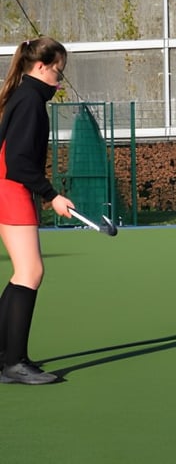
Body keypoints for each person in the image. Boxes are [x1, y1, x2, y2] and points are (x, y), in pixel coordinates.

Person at [0, 37, 75, 385]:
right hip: (11, 188)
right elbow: (17, 161)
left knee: (22, 273)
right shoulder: (30, 101)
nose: (60, 80)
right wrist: (51, 195)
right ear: (41, 66)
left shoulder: (25, 96)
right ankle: (14, 363)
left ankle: (7, 356)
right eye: (58, 70)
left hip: (10, 188)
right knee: (31, 272)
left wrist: (44, 194)